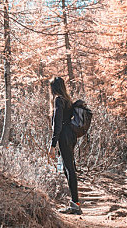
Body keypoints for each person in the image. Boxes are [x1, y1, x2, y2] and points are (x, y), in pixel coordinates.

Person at [47, 77, 82, 215]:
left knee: (69, 169)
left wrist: (53, 145)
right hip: (71, 136)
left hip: (64, 136)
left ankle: (75, 205)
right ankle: (75, 203)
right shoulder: (67, 100)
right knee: (68, 168)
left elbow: (57, 124)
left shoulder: (58, 100)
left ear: (53, 88)